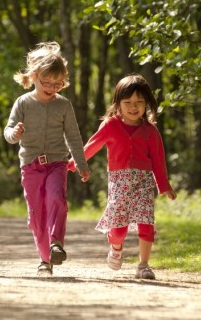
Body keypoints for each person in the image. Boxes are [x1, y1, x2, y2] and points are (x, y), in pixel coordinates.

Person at [69, 74, 177, 280]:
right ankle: (116, 246)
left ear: (147, 104)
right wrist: (74, 163)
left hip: (144, 184)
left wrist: (164, 186)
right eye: (128, 102)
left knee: (147, 224)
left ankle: (143, 265)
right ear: (118, 104)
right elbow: (92, 146)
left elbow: (159, 161)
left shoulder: (151, 131)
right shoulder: (111, 125)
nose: (133, 107)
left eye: (139, 102)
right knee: (118, 229)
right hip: (119, 184)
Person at [4, 41, 90, 277]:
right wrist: (15, 134)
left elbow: (73, 136)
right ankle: (45, 260)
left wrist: (81, 164)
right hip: (30, 166)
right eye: (47, 82)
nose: (52, 87)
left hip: (56, 163)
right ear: (33, 76)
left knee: (57, 200)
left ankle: (56, 244)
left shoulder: (63, 105)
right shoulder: (23, 102)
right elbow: (8, 131)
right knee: (37, 215)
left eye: (58, 83)